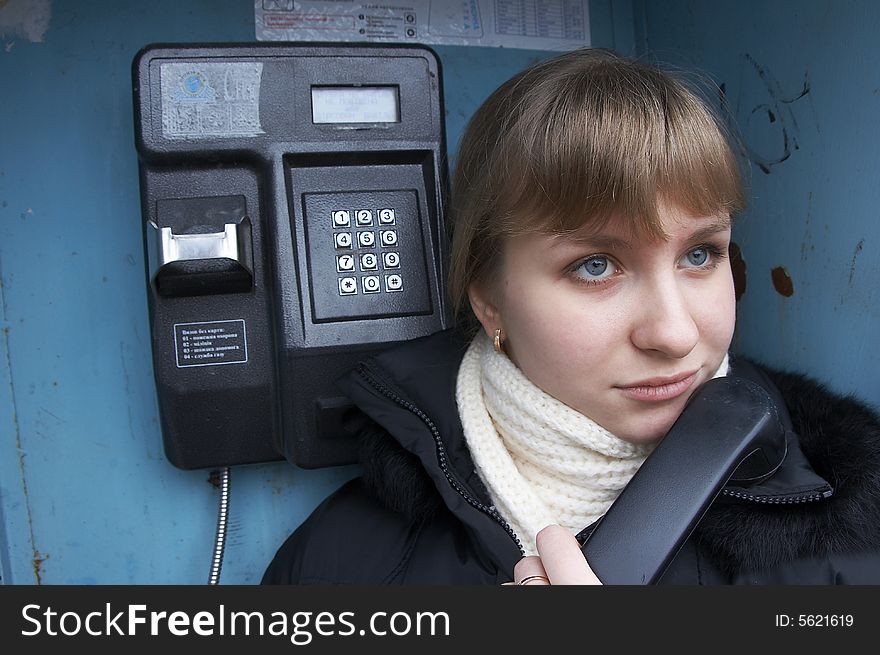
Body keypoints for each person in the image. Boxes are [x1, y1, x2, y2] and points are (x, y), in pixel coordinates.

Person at [262, 48, 880, 585]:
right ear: (488, 299)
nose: (675, 333)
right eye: (595, 266)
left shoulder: (849, 514)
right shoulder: (341, 563)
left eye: (700, 253)